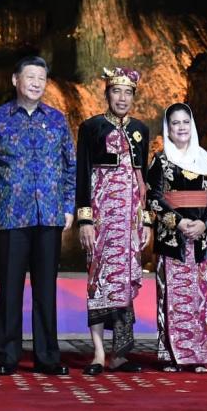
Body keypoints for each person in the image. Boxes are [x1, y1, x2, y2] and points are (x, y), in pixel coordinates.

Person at [0, 56, 75, 376]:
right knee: (10, 289)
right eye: (30, 77)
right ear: (15, 80)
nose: (36, 83)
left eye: (41, 78)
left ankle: (48, 357)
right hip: (10, 215)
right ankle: (7, 355)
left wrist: (69, 206)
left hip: (49, 215)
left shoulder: (57, 120)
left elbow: (70, 166)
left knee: (46, 290)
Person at [76, 66, 151, 375]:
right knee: (98, 280)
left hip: (129, 221)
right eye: (116, 91)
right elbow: (82, 174)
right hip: (101, 218)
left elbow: (144, 180)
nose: (122, 98)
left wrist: (146, 220)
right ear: (107, 94)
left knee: (123, 284)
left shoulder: (141, 130)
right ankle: (97, 353)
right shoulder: (91, 127)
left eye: (128, 92)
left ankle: (120, 354)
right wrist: (85, 220)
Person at [147, 103, 207, 373]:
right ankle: (172, 356)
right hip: (171, 240)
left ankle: (199, 356)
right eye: (175, 123)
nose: (181, 127)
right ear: (167, 129)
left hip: (201, 240)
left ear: (192, 126)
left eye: (185, 122)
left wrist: (203, 223)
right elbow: (153, 198)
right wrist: (179, 222)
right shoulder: (160, 160)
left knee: (201, 298)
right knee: (172, 297)